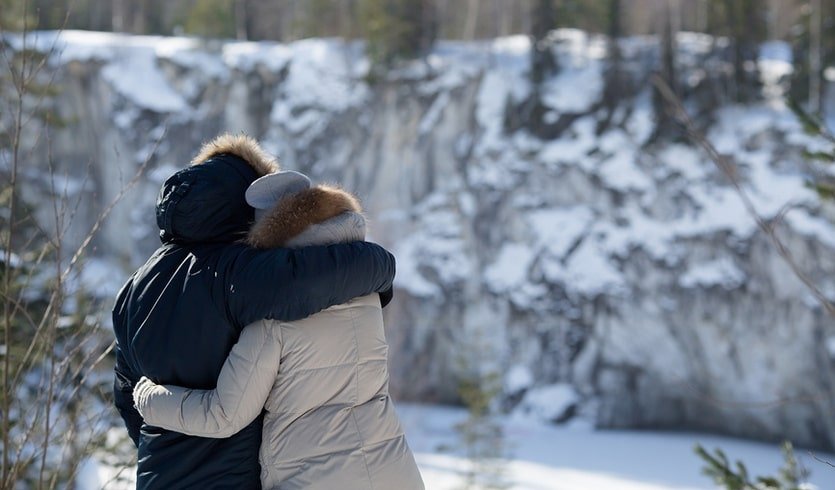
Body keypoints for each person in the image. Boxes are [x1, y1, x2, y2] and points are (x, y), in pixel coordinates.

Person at [112, 134, 396, 489]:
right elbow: (305, 281)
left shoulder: (134, 287)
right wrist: (381, 267)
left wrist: (170, 449)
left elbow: (126, 394)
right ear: (242, 202)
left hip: (157, 474)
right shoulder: (235, 272)